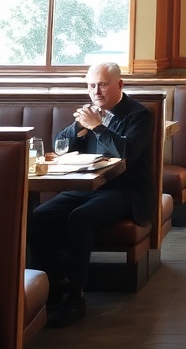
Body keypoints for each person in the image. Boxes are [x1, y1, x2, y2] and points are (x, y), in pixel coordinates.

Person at [28, 62, 155, 329]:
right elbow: (60, 146)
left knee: (80, 219)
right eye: (91, 85)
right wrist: (78, 128)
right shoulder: (89, 113)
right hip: (86, 187)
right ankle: (57, 281)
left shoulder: (139, 115)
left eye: (102, 84)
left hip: (125, 190)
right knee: (37, 217)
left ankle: (76, 295)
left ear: (119, 85)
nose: (96, 91)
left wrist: (97, 127)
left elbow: (126, 152)